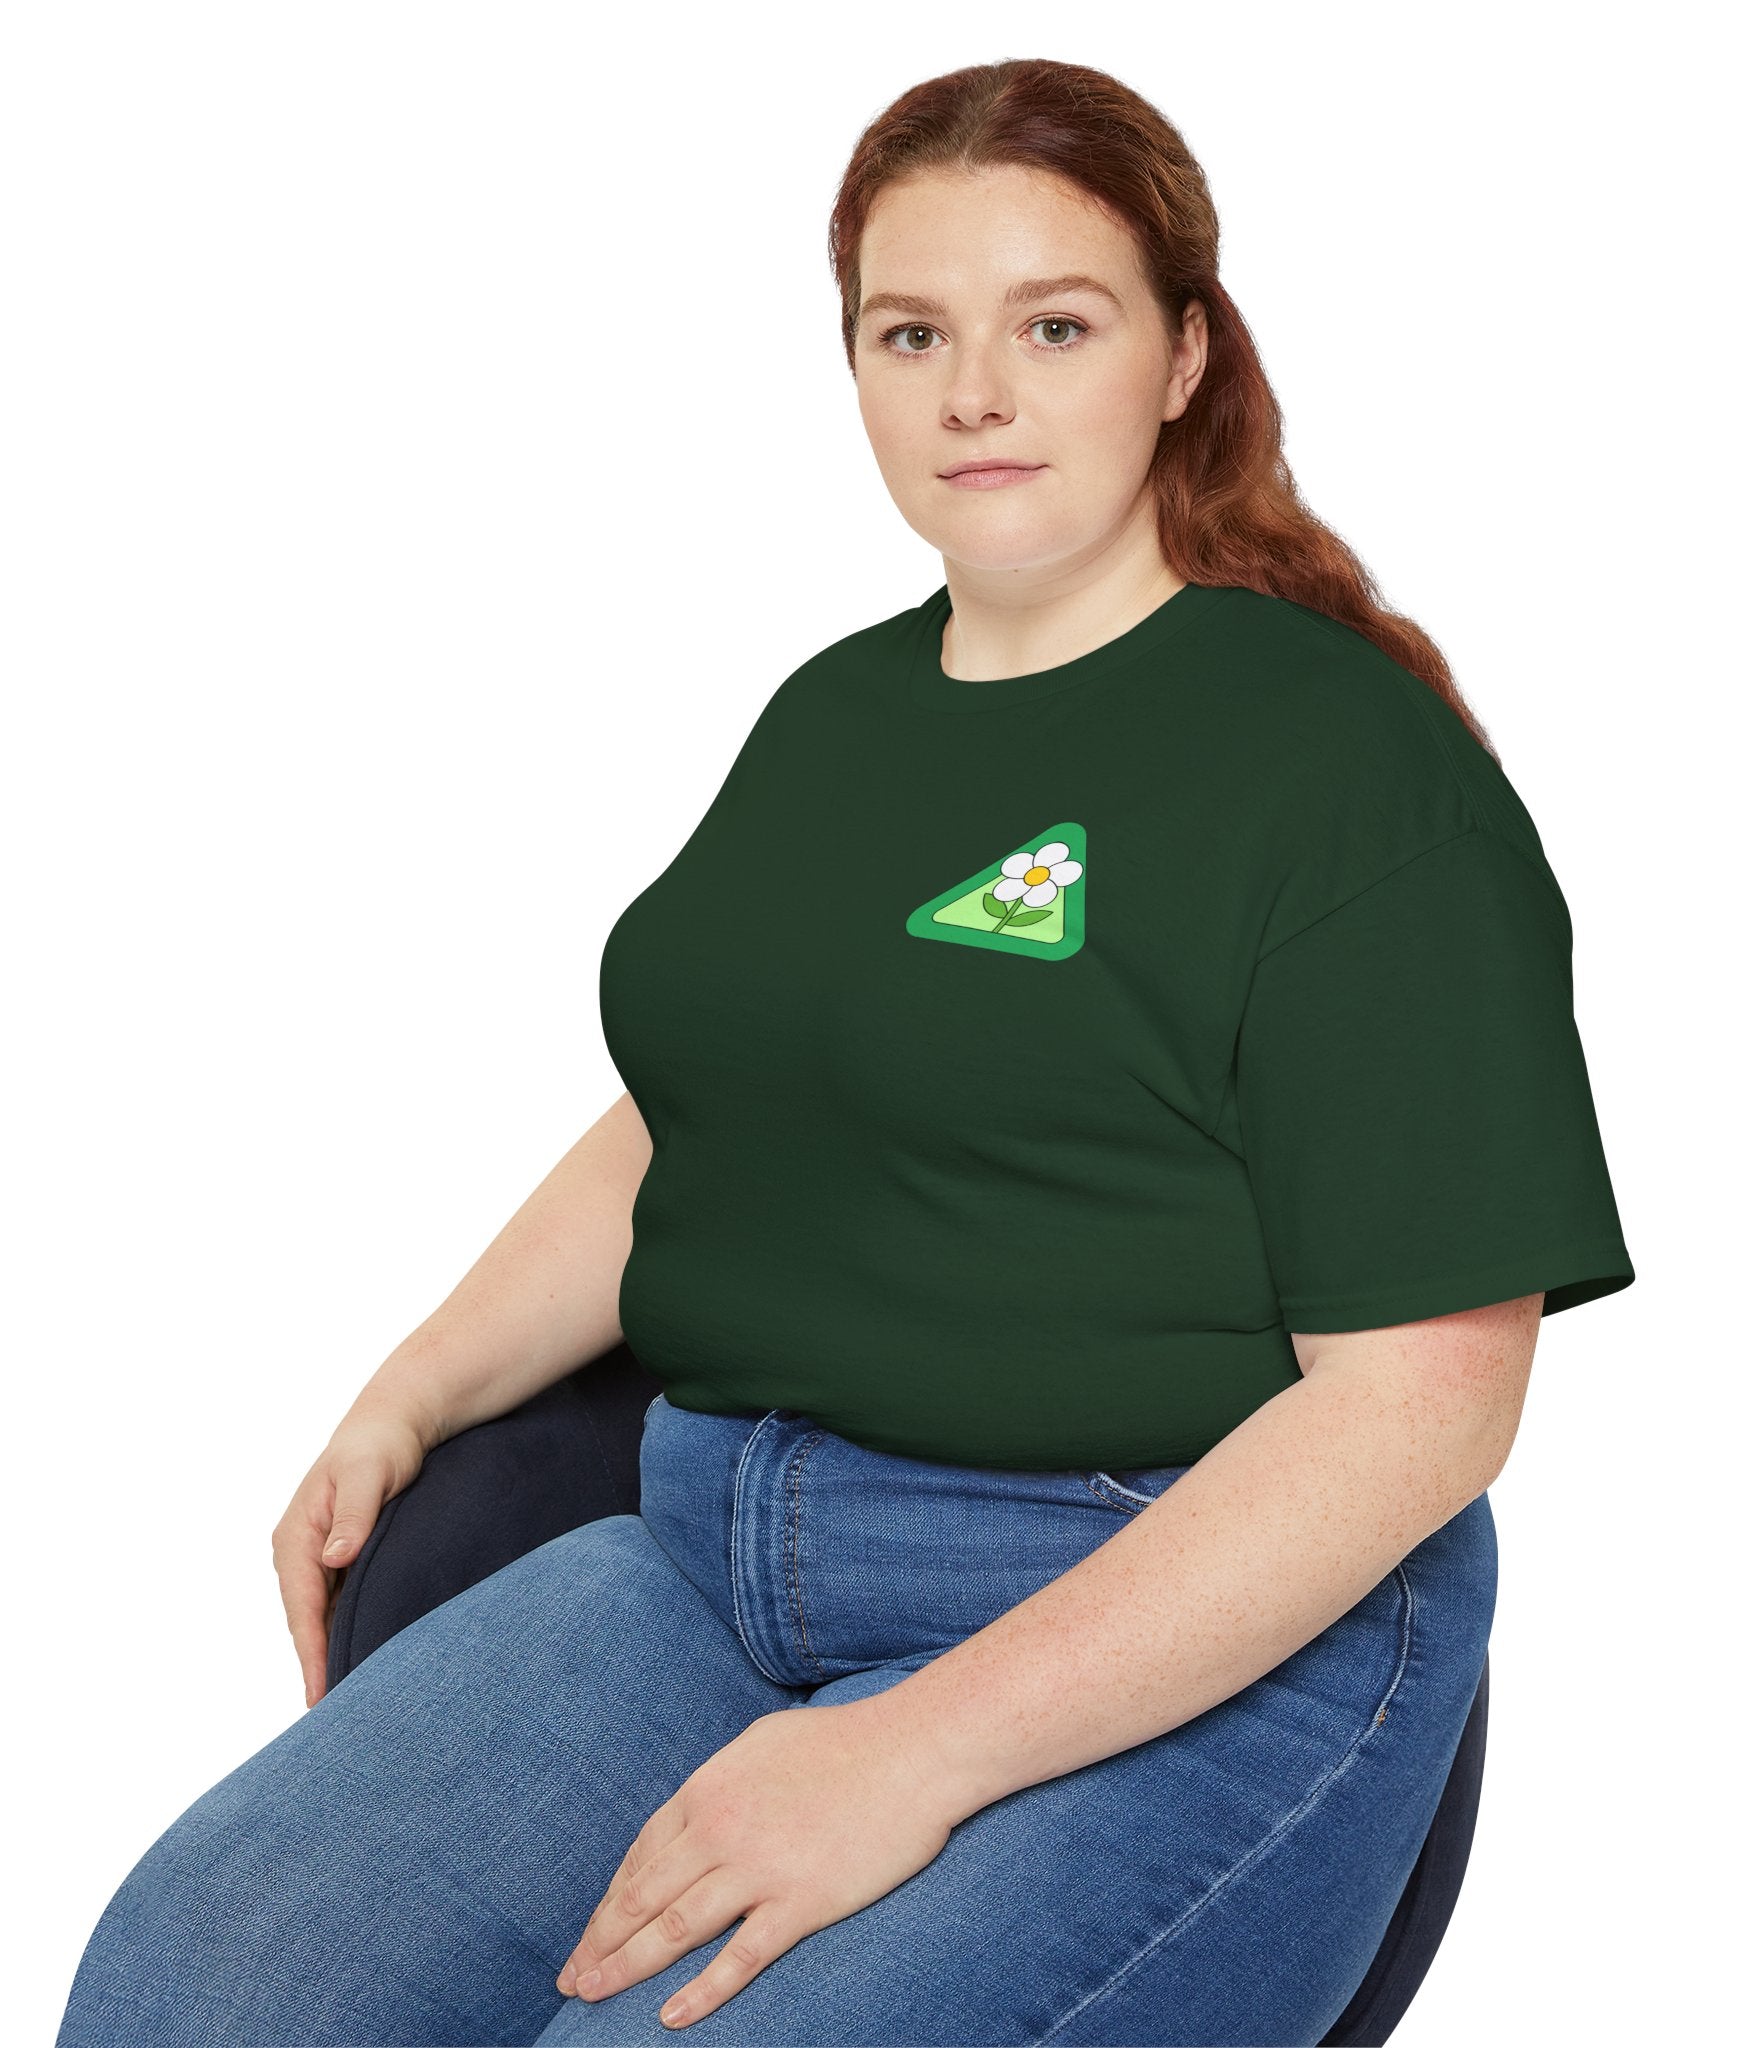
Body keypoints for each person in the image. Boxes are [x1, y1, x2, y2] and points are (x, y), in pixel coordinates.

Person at [58, 54, 1635, 2048]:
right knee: (189, 1996)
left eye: (1051, 324)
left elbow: (1423, 1405)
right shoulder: (839, 721)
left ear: (1177, 357)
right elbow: (715, 1114)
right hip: (722, 1559)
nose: (974, 389)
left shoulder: (1342, 773)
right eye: (913, 332)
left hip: (1159, 1601)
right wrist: (412, 1386)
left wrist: (913, 1759)